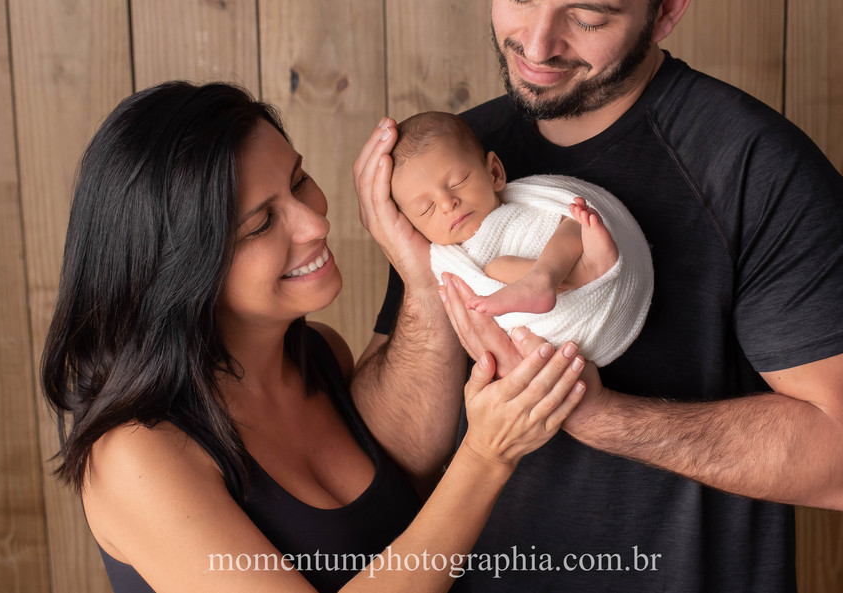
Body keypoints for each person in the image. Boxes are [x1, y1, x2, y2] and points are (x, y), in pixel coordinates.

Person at [350, 0, 843, 593]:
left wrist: (596, 413)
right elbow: (397, 455)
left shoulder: (757, 170)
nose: (537, 46)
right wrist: (418, 276)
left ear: (669, 7)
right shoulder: (452, 162)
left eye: (586, 17)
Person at [40, 81, 587, 593]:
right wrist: (486, 457)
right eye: (260, 224)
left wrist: (424, 276)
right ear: (178, 270)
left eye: (299, 180)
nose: (314, 224)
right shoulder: (136, 454)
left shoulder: (320, 354)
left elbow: (414, 531)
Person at [389, 110, 653, 365]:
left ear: (494, 173)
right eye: (427, 208)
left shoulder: (525, 203)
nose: (448, 203)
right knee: (495, 269)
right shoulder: (454, 261)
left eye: (458, 181)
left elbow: (563, 207)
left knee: (573, 219)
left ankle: (576, 270)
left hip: (594, 264)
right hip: (562, 325)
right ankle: (577, 275)